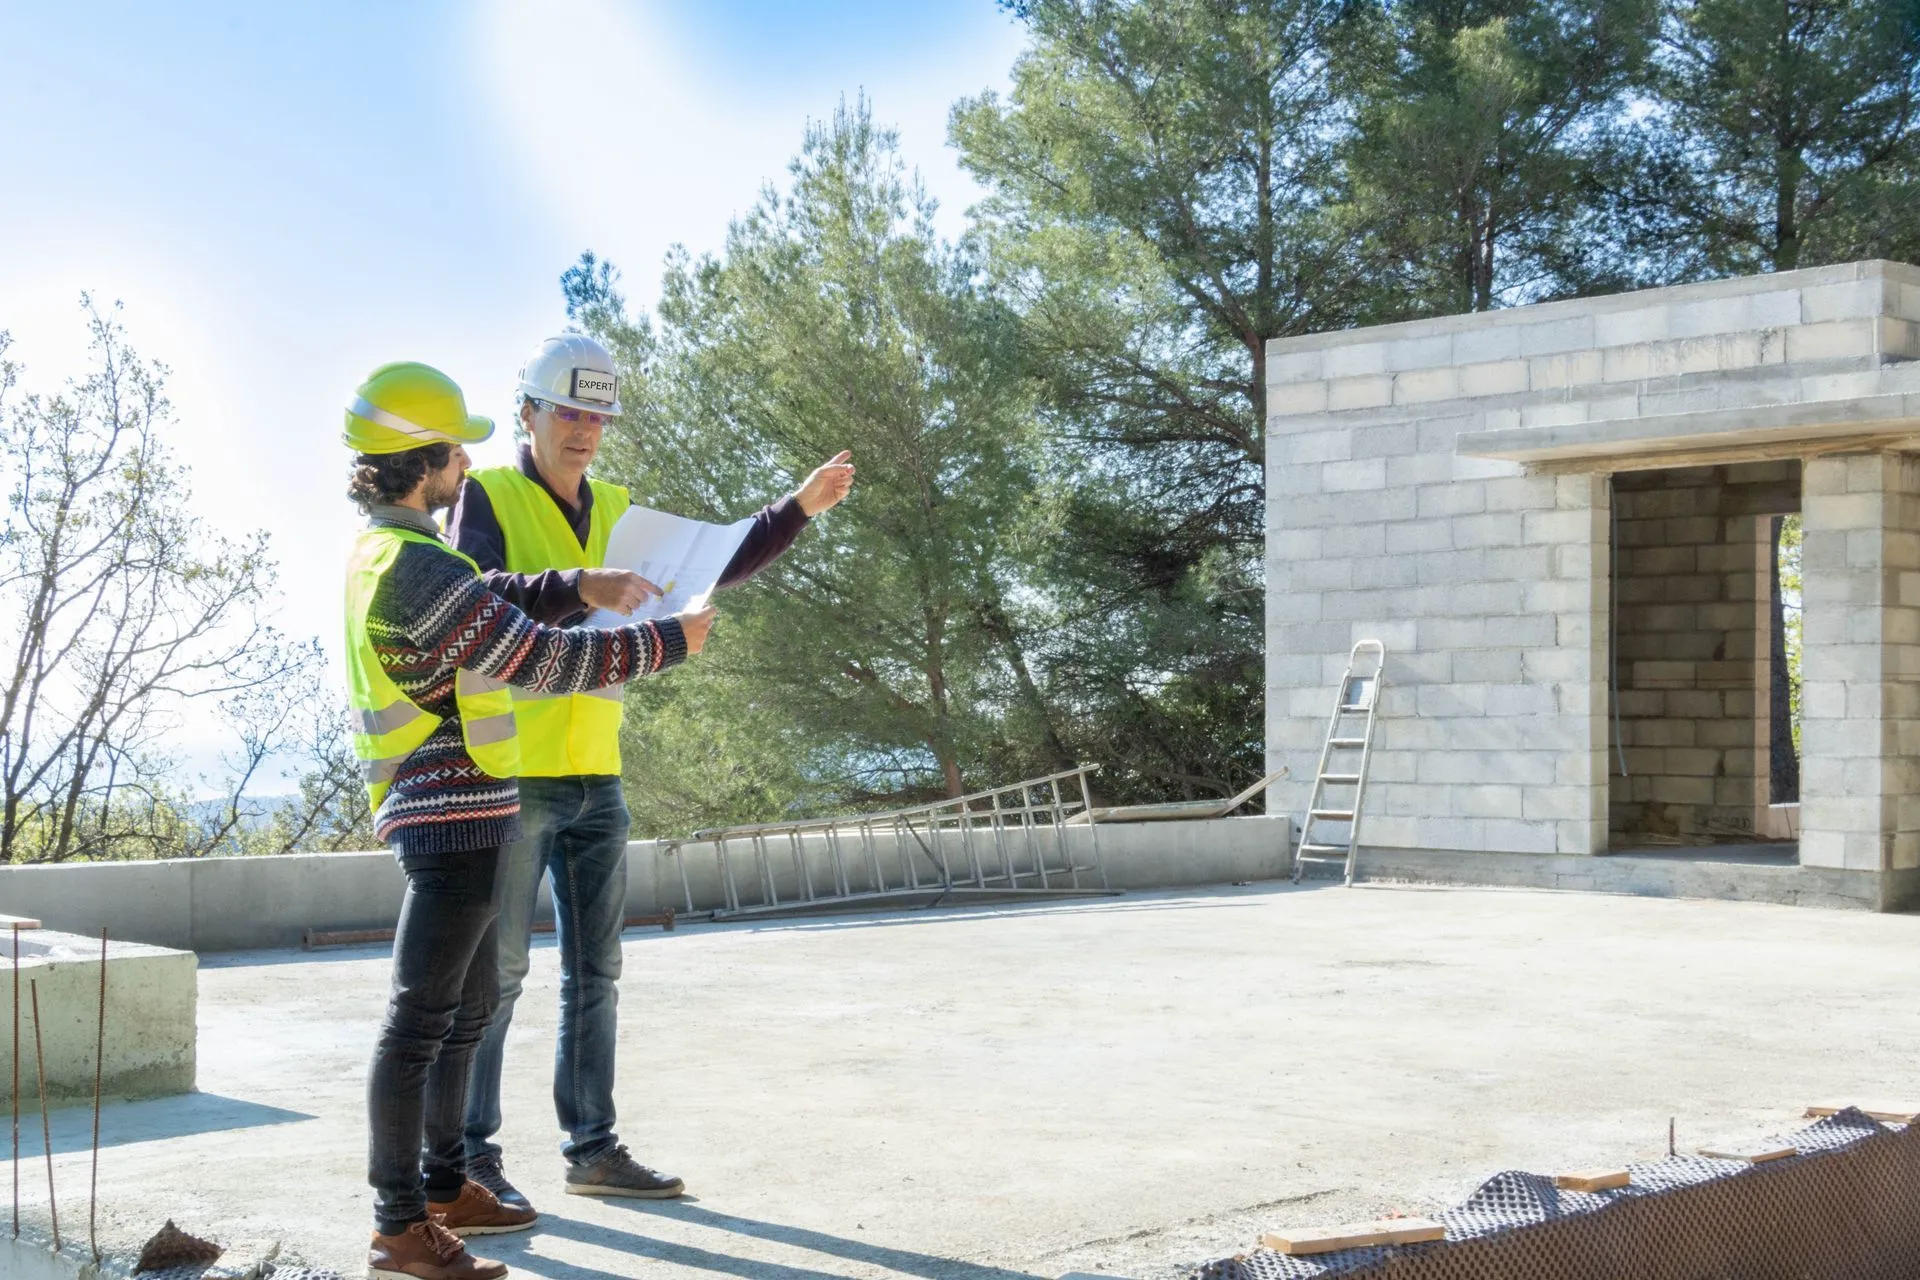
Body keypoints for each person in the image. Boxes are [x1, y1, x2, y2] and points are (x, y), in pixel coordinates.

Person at [446, 333, 853, 1206]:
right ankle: (470, 1161)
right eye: (569, 412)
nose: (585, 430)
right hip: (512, 774)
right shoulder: (485, 494)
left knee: (598, 973)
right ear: (529, 413)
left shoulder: (619, 504)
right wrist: (580, 584)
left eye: (597, 416)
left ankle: (592, 1149)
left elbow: (708, 562)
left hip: (599, 771)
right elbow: (474, 597)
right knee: (499, 973)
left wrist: (800, 507)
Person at [343, 361, 715, 1280]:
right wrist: (669, 641)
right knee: (420, 1021)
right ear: (422, 459)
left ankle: (447, 1181)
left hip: (466, 807)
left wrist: (583, 584)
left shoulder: (403, 556)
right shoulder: (418, 565)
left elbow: (498, 605)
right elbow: (536, 659)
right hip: (448, 812)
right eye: (454, 449)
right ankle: (400, 1225)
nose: (466, 462)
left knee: (466, 1008)